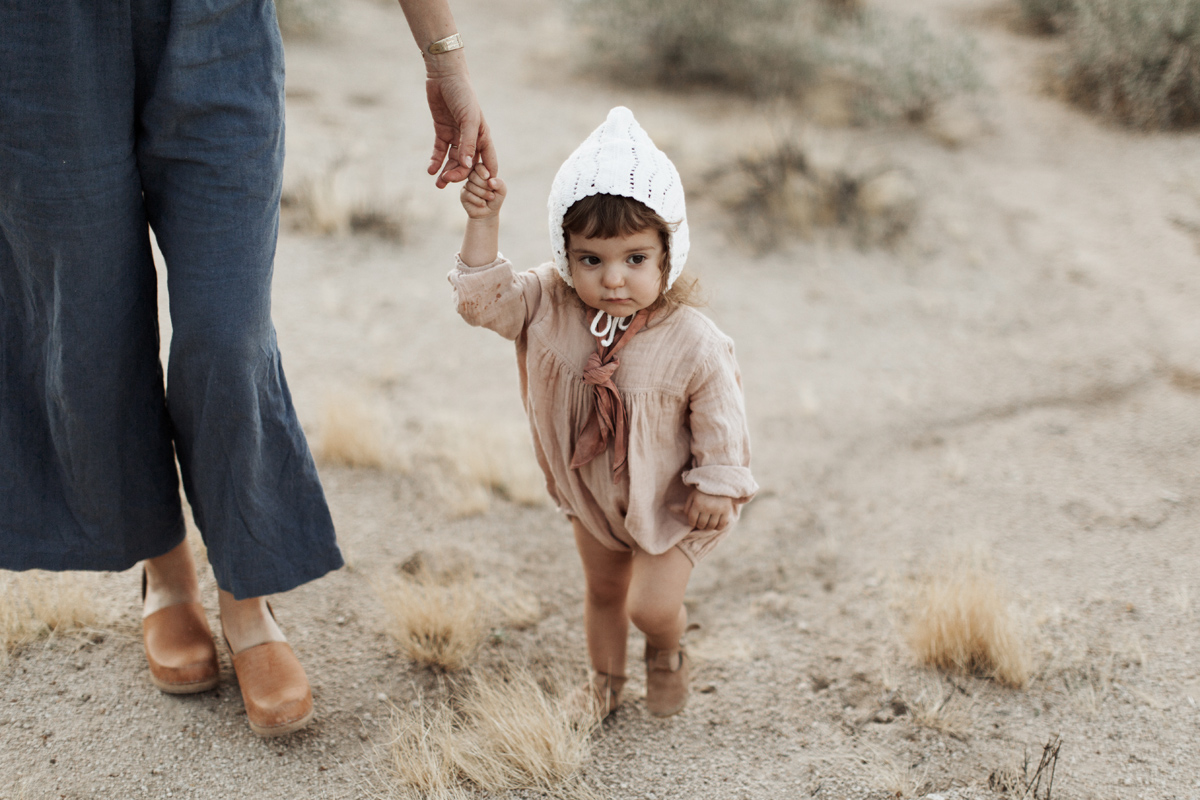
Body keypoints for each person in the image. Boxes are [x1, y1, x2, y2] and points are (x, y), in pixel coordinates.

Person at [0, 0, 494, 737]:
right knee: (89, 326)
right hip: (41, 40)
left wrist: (443, 55)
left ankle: (246, 590)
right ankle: (165, 571)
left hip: (219, 30)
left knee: (230, 333)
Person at [449, 107, 757, 717]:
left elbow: (723, 417)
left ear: (669, 252)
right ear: (566, 254)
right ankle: (604, 685)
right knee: (604, 592)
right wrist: (484, 220)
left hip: (670, 502)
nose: (614, 279)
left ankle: (666, 652)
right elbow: (482, 302)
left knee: (650, 607)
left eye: (635, 259)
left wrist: (718, 484)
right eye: (592, 259)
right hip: (592, 495)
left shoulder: (691, 338)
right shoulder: (546, 302)